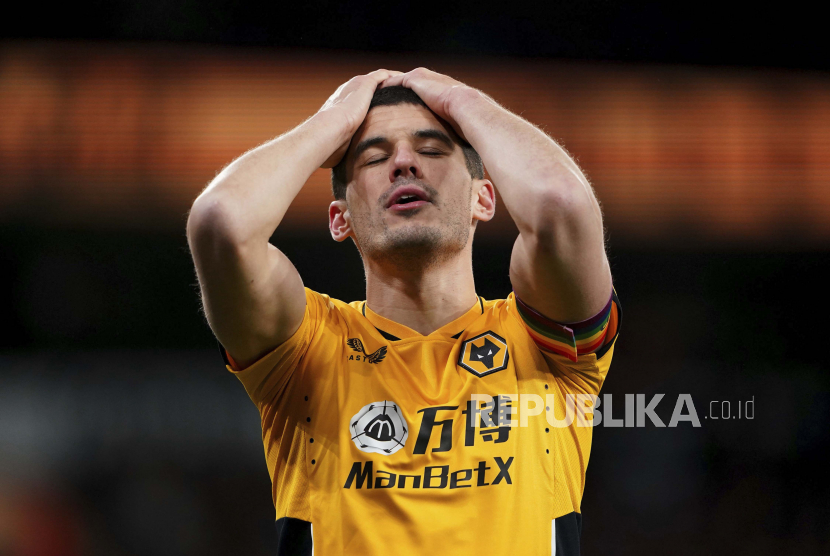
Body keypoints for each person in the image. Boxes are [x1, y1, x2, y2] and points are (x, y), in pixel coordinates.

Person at [187, 68, 621, 555]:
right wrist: (331, 122)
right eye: (374, 158)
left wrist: (464, 102)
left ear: (483, 197)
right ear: (339, 219)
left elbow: (560, 205)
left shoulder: (545, 349)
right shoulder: (304, 354)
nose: (404, 164)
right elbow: (221, 223)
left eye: (432, 150)